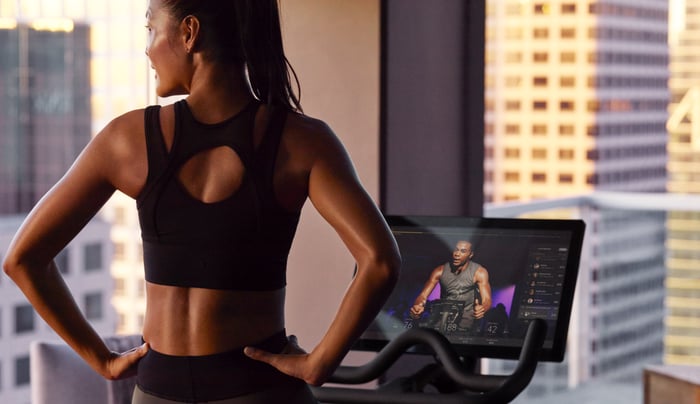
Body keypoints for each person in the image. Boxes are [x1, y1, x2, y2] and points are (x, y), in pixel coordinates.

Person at [2, 1, 400, 403]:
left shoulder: (126, 140)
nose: (148, 48)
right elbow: (381, 261)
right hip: (259, 391)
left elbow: (22, 258)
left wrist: (102, 361)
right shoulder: (303, 141)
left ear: (189, 33)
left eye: (151, 29)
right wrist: (320, 363)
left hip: (160, 392)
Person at [409, 240, 491, 332]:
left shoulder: (479, 272)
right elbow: (423, 295)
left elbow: (487, 300)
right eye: (456, 250)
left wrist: (482, 308)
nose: (457, 254)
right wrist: (417, 305)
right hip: (442, 321)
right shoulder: (439, 270)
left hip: (466, 324)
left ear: (470, 255)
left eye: (463, 251)